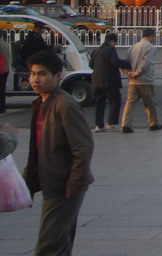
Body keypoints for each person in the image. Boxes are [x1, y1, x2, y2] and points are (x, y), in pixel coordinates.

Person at [23, 50, 94, 256]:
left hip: (64, 186)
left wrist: (75, 181)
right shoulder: (40, 103)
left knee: (48, 247)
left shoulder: (65, 104)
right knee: (59, 244)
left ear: (58, 76)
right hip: (51, 182)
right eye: (33, 74)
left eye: (43, 74)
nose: (36, 79)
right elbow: (37, 148)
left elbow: (83, 146)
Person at [120, 28, 162, 132]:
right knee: (150, 103)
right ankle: (153, 123)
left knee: (130, 103)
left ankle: (125, 125)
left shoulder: (132, 47)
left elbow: (125, 62)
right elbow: (146, 63)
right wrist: (137, 73)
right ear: (151, 36)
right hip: (145, 79)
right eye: (154, 36)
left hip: (132, 81)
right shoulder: (150, 47)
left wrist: (128, 73)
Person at [89, 31, 131, 132]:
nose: (115, 45)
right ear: (112, 41)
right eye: (115, 43)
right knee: (115, 101)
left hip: (96, 81)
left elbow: (91, 65)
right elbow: (115, 62)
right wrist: (127, 64)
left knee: (100, 103)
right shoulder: (110, 50)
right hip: (109, 81)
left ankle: (99, 125)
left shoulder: (95, 50)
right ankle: (112, 123)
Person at [0, 32, 11, 114]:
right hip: (5, 68)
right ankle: (2, 107)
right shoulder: (5, 43)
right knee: (2, 89)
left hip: (1, 68)